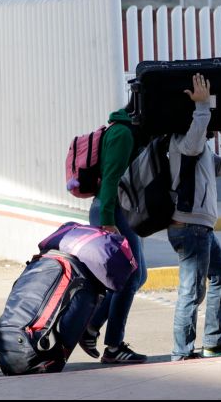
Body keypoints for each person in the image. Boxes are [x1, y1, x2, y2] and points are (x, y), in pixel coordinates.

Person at [166, 73, 221, 361]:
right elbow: (193, 143)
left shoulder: (200, 149)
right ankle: (182, 352)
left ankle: (213, 340)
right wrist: (202, 106)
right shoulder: (181, 142)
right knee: (191, 291)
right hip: (190, 227)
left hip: (200, 227)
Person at [79, 99, 149, 364]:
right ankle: (114, 347)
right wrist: (108, 221)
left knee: (138, 276)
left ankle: (90, 327)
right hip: (112, 212)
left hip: (121, 211)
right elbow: (110, 178)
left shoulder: (132, 131)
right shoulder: (122, 133)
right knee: (128, 278)